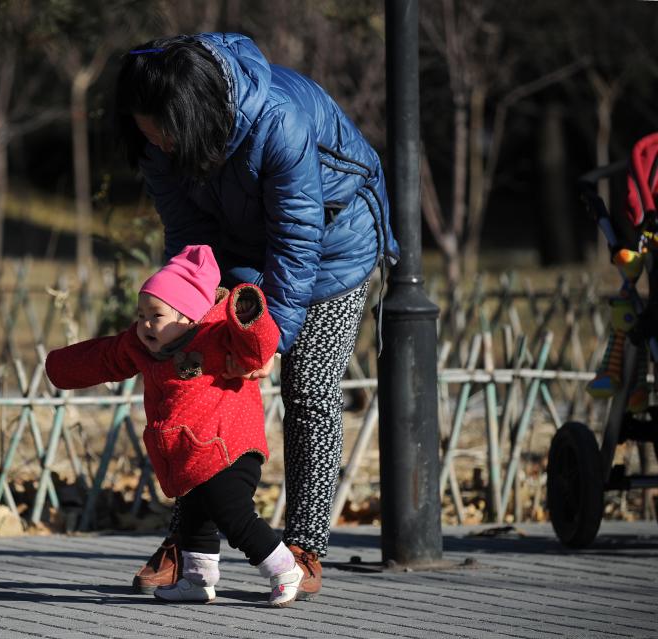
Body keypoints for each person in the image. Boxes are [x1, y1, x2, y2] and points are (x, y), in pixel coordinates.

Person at [116, 33, 399, 599]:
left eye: (163, 134)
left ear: (192, 117)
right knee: (196, 381)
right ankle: (191, 542)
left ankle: (306, 545)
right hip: (240, 245)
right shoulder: (159, 140)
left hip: (332, 246)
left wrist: (266, 344)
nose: (156, 145)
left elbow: (297, 245)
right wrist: (188, 308)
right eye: (147, 133)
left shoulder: (278, 122)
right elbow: (188, 240)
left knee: (309, 390)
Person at [46, 244, 307, 607]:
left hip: (228, 444)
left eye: (155, 315)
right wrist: (58, 367)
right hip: (187, 450)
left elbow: (257, 348)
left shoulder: (218, 335)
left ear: (189, 315)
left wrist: (248, 314)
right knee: (194, 517)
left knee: (232, 514)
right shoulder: (142, 345)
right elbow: (105, 357)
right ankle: (197, 580)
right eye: (140, 315)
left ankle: (283, 568)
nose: (144, 325)